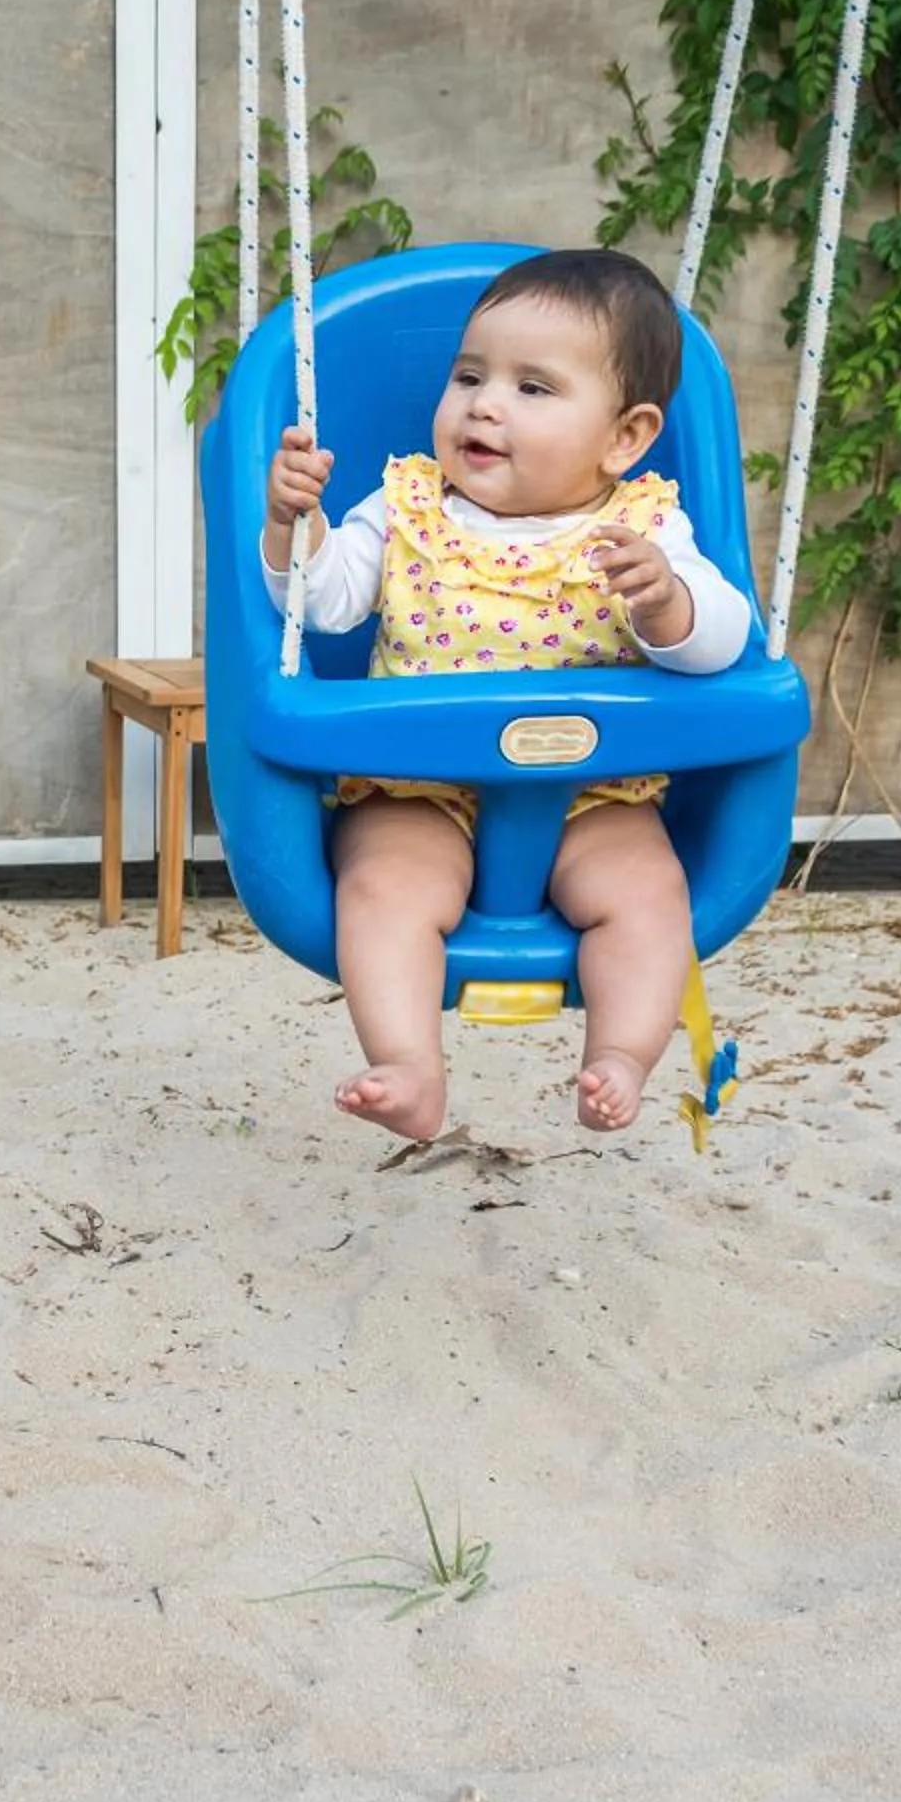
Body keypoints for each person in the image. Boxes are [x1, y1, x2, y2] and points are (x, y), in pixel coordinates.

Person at [262, 247, 749, 1141]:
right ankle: (410, 1066)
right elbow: (321, 606)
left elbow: (723, 643)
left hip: (592, 796)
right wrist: (299, 524)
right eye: (470, 375)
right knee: (380, 892)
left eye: (534, 389)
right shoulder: (405, 505)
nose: (484, 404)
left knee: (647, 893)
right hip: (418, 793)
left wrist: (668, 605)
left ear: (625, 437)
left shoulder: (644, 530)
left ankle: (622, 1055)